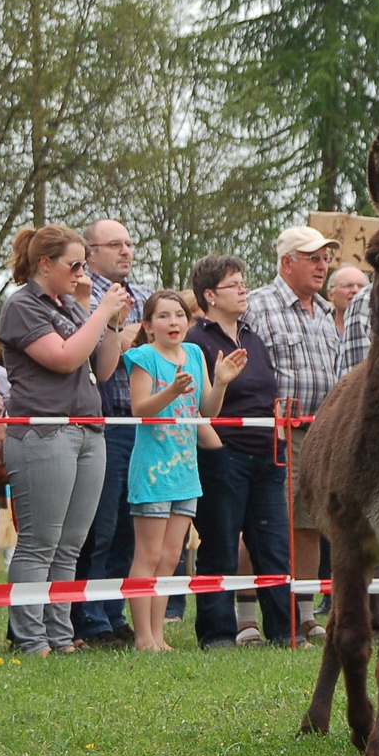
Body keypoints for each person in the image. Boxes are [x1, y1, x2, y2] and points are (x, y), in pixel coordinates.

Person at [0, 225, 130, 655]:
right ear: (44, 264)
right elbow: (64, 358)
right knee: (40, 542)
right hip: (44, 432)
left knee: (70, 545)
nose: (80, 274)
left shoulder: (70, 306)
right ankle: (30, 637)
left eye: (82, 266)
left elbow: (103, 369)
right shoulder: (22, 305)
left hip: (88, 430)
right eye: (73, 265)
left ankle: (59, 634)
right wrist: (99, 311)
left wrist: (111, 323)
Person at [186, 255, 305, 648]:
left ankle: (285, 632)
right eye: (234, 285)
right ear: (209, 295)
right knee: (220, 547)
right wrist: (218, 449)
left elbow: (267, 392)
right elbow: (196, 405)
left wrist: (279, 436)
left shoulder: (252, 337)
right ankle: (218, 634)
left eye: (243, 283)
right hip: (224, 455)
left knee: (274, 548)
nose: (243, 291)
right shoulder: (196, 341)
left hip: (268, 456)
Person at [124, 289, 244, 651]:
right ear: (148, 326)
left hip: (186, 471)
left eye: (179, 315)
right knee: (149, 555)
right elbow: (140, 409)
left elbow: (207, 411)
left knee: (171, 557)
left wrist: (221, 382)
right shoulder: (144, 356)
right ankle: (143, 637)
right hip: (152, 469)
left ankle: (158, 636)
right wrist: (172, 391)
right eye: (163, 316)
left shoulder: (194, 354)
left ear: (189, 321)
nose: (172, 322)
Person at [246, 225, 341, 603]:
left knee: (310, 524)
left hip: (321, 433)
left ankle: (302, 613)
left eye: (326, 259)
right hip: (276, 433)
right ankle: (247, 614)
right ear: (286, 263)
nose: (322, 266)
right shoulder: (257, 305)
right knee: (263, 525)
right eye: (313, 258)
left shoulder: (327, 311)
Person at [75, 218, 149, 644]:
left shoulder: (144, 297)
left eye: (129, 243)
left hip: (141, 423)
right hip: (103, 420)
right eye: (115, 244)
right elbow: (88, 353)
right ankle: (88, 617)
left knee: (127, 526)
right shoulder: (83, 295)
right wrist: (120, 334)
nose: (126, 251)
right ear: (90, 252)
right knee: (98, 526)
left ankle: (112, 612)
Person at [326, 265, 368, 337]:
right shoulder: (320, 327)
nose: (356, 290)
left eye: (361, 286)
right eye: (348, 285)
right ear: (331, 295)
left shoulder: (378, 331)